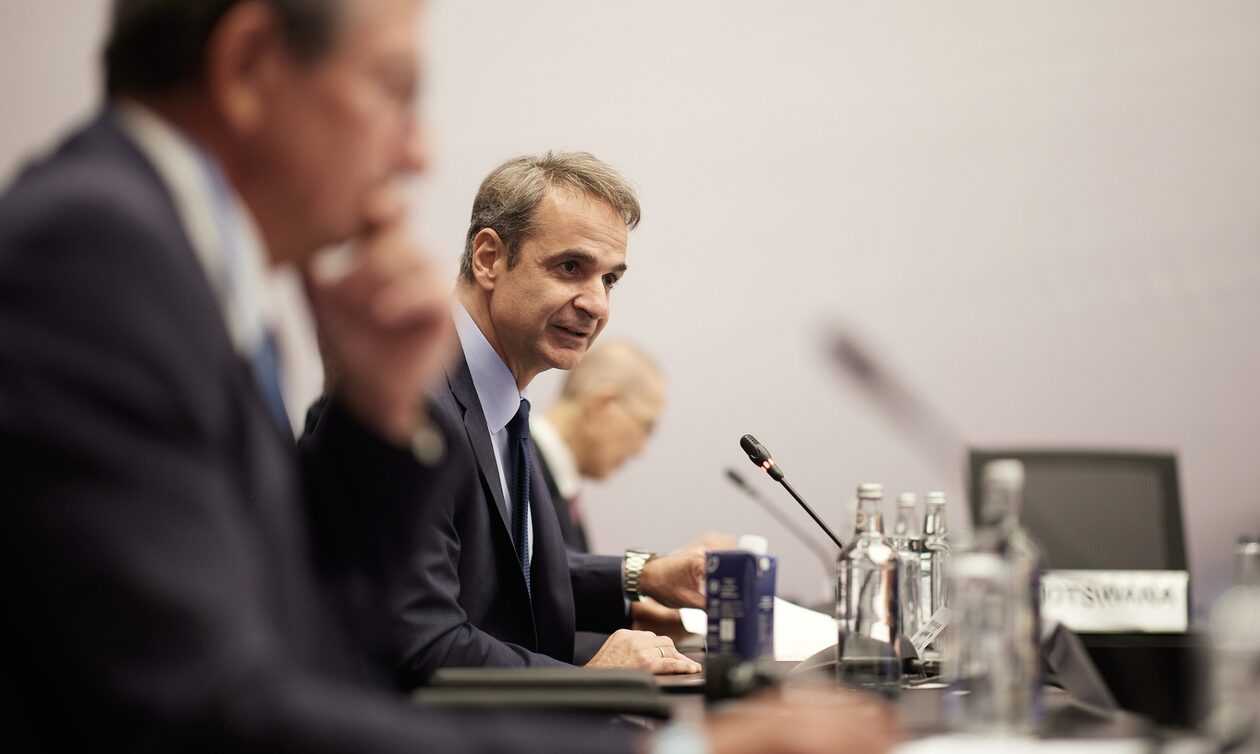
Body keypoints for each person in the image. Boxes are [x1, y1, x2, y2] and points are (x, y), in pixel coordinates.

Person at [0, 1, 898, 752]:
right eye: (392, 89)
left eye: (611, 279)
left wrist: (379, 421)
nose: (418, 151)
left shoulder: (182, 267)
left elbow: (315, 615)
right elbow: (231, 697)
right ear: (248, 66)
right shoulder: (96, 254)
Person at [531, 339, 666, 553]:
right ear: (604, 405)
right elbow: (555, 568)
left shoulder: (554, 482)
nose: (641, 450)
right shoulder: (519, 469)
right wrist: (650, 568)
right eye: (645, 427)